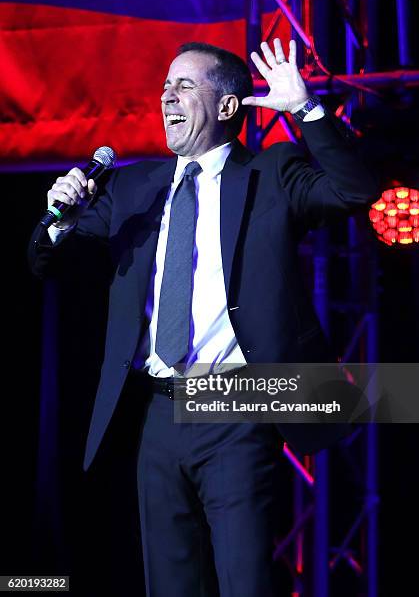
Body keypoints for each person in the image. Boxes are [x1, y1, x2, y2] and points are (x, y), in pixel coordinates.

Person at [29, 39, 377, 597]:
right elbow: (46, 259)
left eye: (185, 85)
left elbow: (355, 191)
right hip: (158, 414)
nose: (168, 94)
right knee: (170, 583)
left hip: (237, 409)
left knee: (246, 580)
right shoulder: (134, 188)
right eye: (166, 85)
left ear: (226, 107)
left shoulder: (272, 174)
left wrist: (307, 111)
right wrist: (57, 216)